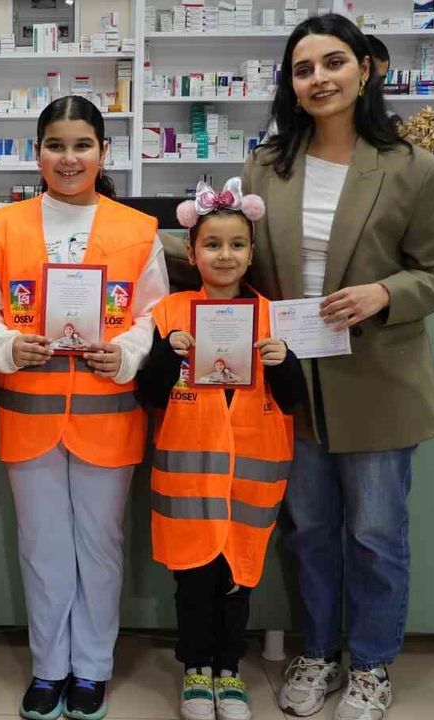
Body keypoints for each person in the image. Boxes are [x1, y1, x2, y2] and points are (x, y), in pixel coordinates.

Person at [242, 14, 434, 720]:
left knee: (374, 534)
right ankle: (315, 653)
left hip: (377, 377)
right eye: (303, 69)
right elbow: (243, 259)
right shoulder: (267, 165)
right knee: (307, 531)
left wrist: (383, 294)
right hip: (294, 376)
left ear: (365, 70)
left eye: (333, 62)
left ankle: (369, 665)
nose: (319, 79)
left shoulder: (410, 166)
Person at [0, 95, 169, 720]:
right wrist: (6, 344)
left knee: (101, 545)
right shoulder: (4, 227)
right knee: (42, 544)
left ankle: (93, 669)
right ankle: (49, 667)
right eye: (55, 145)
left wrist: (127, 353)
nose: (69, 158)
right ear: (37, 154)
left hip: (108, 413)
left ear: (104, 152)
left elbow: (154, 315)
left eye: (82, 145)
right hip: (29, 414)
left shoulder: (137, 230)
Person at [137, 179, 306, 720]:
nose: (225, 255)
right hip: (189, 482)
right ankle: (195, 669)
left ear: (252, 254)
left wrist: (284, 363)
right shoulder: (169, 313)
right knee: (192, 580)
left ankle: (228, 669)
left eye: (237, 245)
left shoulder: (274, 317)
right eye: (212, 245)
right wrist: (169, 355)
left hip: (250, 483)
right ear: (192, 253)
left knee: (238, 579)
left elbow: (294, 400)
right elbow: (148, 394)